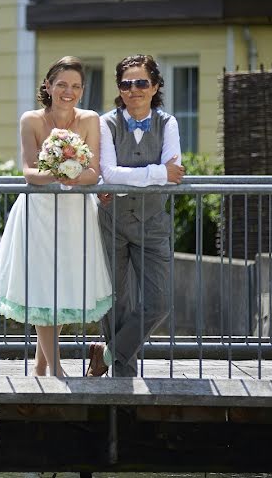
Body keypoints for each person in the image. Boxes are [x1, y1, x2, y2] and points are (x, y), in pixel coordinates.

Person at [0, 56, 113, 377]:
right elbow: (29, 171)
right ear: (48, 86)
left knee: (65, 284)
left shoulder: (90, 119)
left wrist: (74, 176)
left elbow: (93, 171)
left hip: (75, 214)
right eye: (61, 85)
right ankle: (54, 368)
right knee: (43, 285)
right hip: (38, 212)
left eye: (75, 86)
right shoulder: (31, 120)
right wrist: (58, 171)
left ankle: (41, 365)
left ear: (82, 90)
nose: (68, 92)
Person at [86, 54, 186, 378]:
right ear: (119, 88)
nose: (134, 90)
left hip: (153, 224)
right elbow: (110, 173)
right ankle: (122, 386)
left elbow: (176, 172)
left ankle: (107, 352)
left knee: (159, 303)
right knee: (114, 305)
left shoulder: (168, 123)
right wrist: (158, 173)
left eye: (142, 82)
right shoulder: (105, 123)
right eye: (126, 84)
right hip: (111, 221)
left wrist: (126, 177)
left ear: (155, 86)